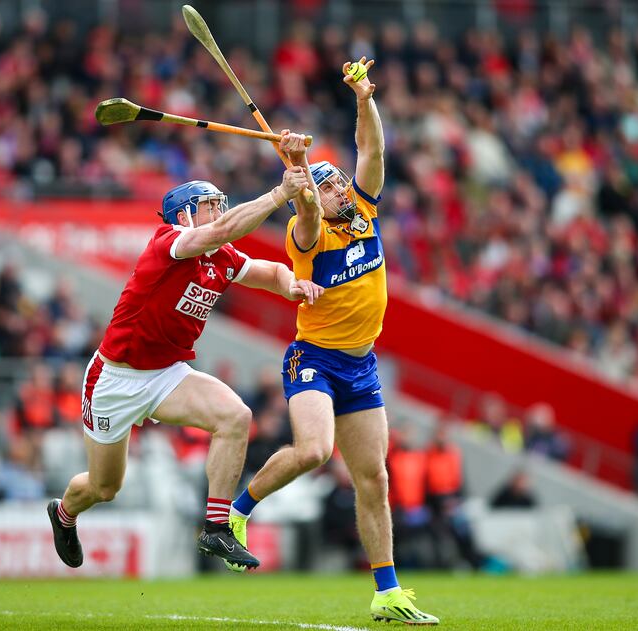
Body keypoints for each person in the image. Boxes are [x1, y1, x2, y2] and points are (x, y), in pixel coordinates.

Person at [47, 132, 324, 572]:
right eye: (209, 205)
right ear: (184, 216)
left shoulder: (222, 257)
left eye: (219, 203)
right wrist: (278, 194)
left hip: (166, 374)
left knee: (236, 416)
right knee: (104, 487)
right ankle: (64, 514)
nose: (218, 212)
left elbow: (268, 271)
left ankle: (215, 528)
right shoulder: (169, 243)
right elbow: (224, 229)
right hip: (115, 379)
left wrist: (293, 283)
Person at [229, 58, 439, 624]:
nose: (342, 186)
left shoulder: (366, 210)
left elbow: (372, 152)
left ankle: (388, 591)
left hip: (361, 365)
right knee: (316, 451)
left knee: (374, 478)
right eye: (331, 184)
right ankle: (237, 511)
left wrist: (364, 97)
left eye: (340, 180)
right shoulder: (309, 235)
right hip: (314, 360)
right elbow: (304, 210)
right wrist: (296, 166)